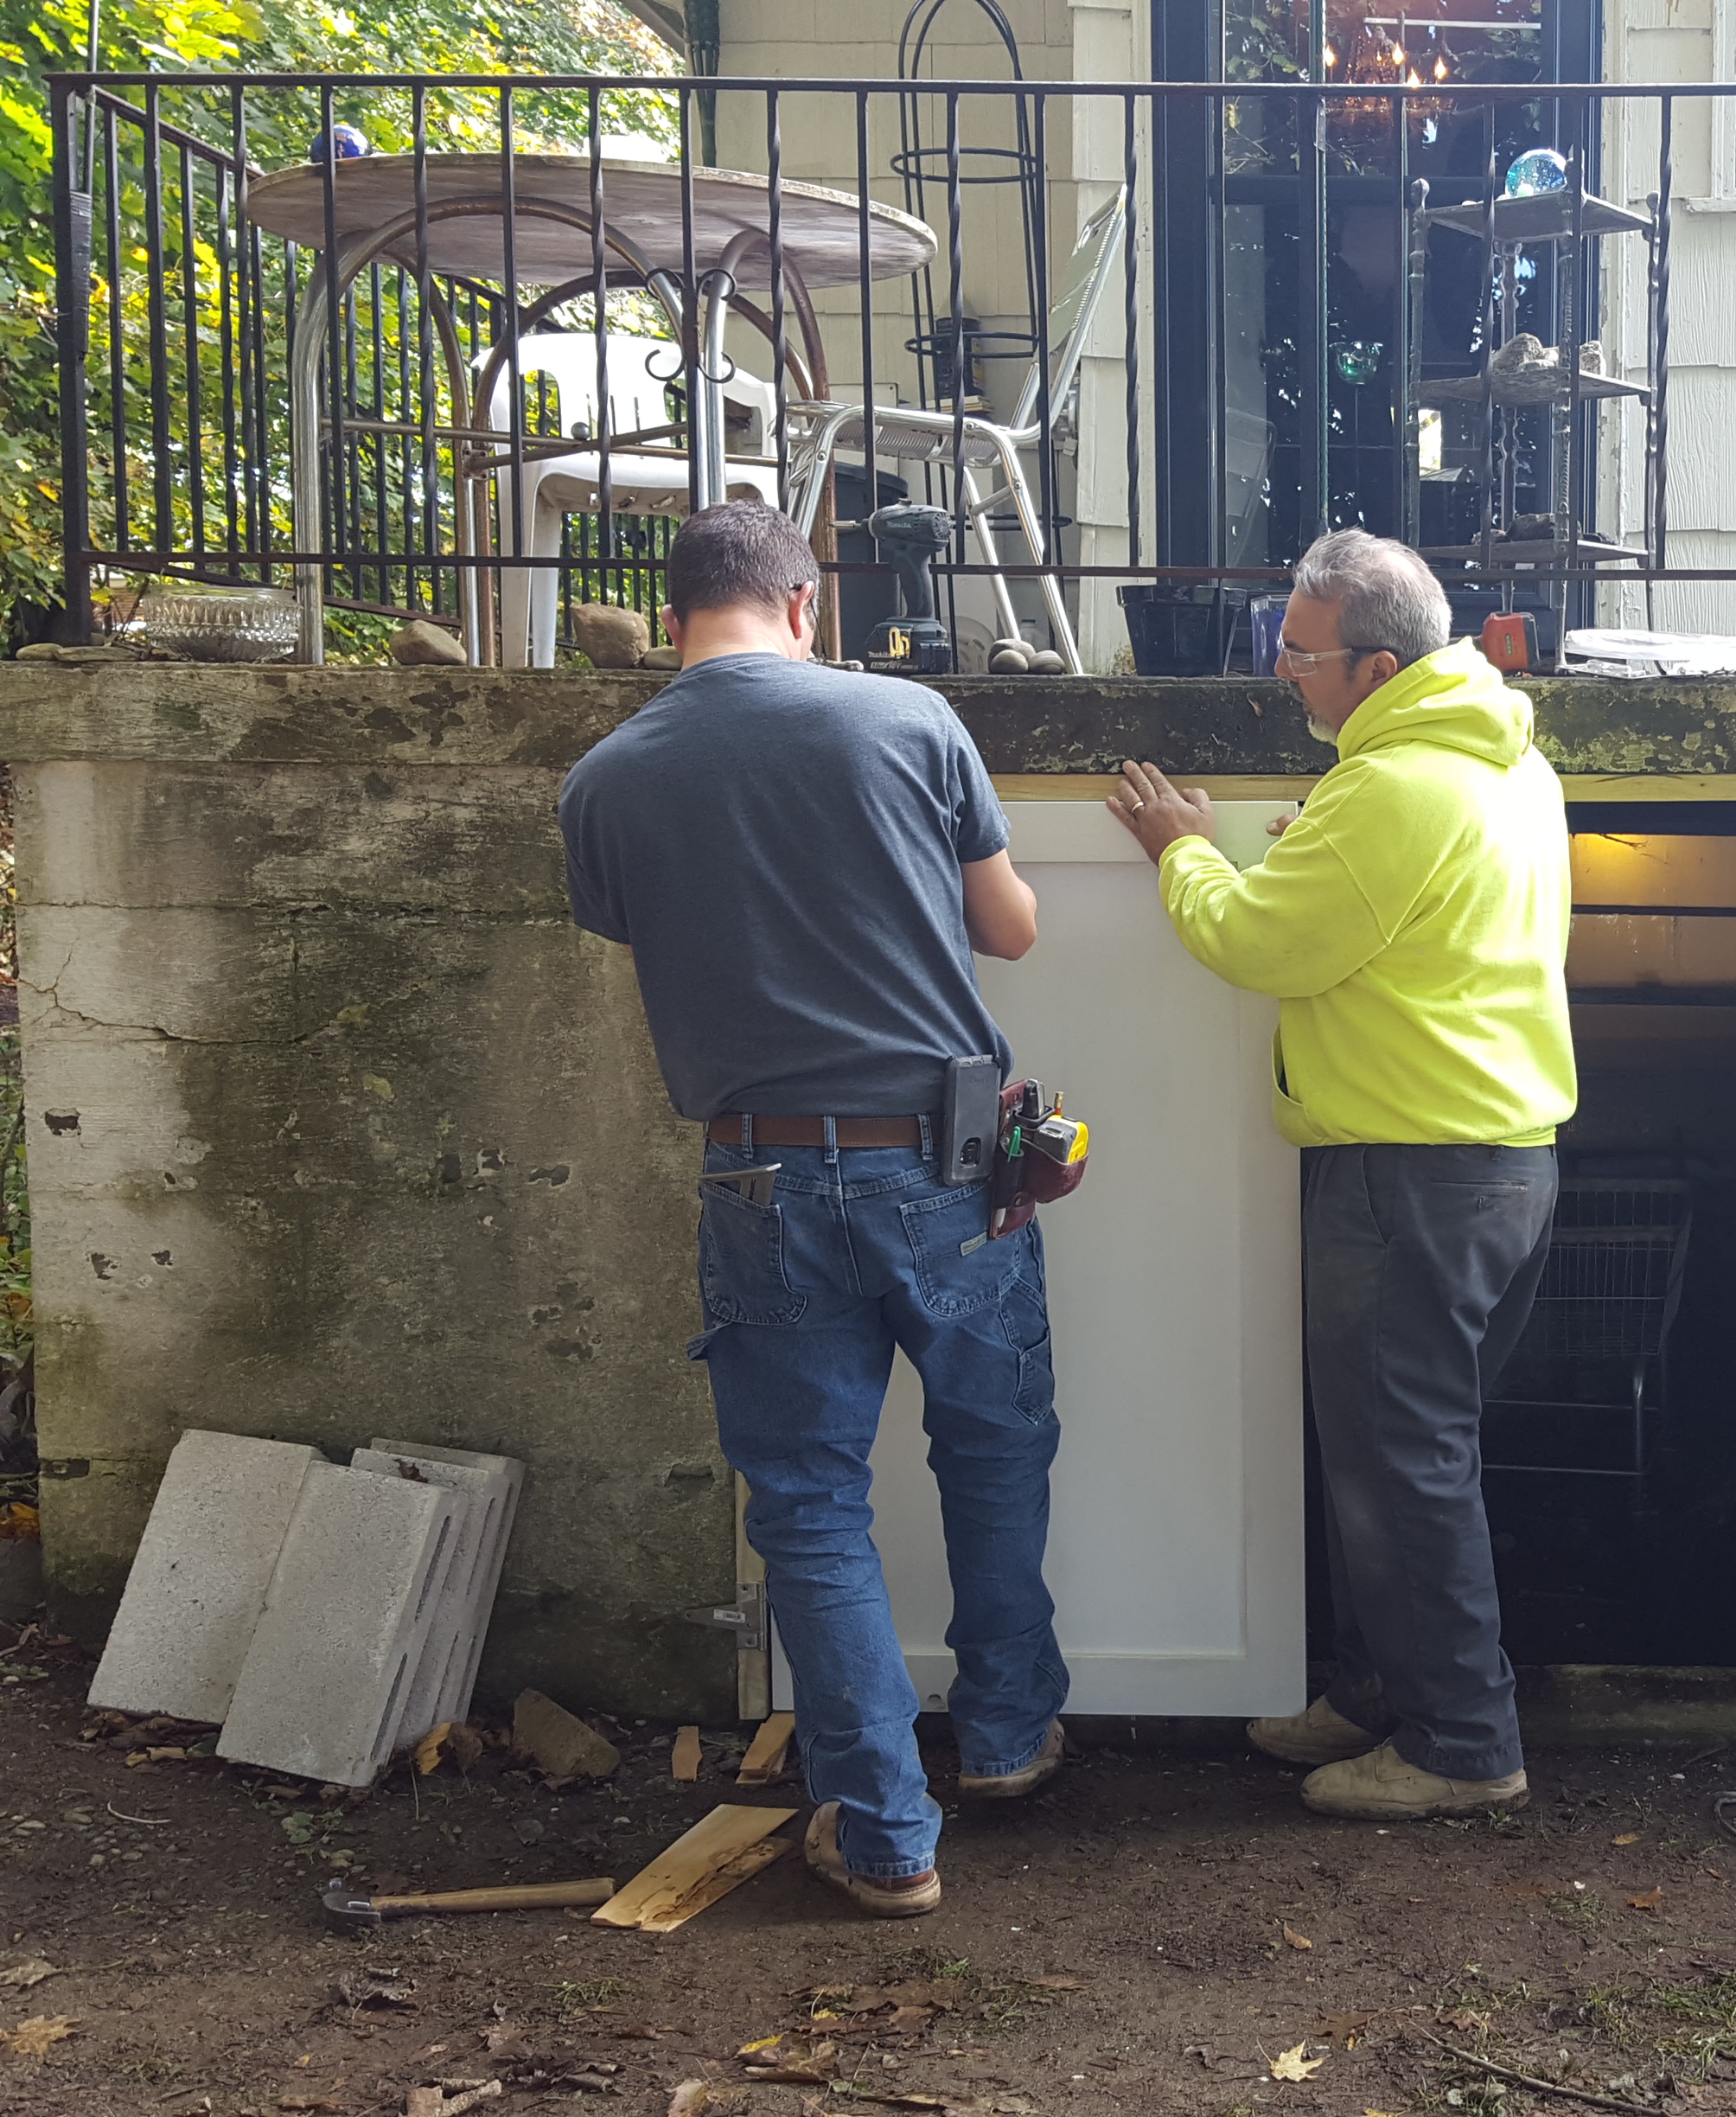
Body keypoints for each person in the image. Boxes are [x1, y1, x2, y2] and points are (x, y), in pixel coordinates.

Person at [557, 501, 1066, 1920]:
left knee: (808, 1504)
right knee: (994, 1442)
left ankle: (888, 1836)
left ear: (672, 618)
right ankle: (1013, 1739)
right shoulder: (908, 722)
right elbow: (1010, 927)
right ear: (805, 601)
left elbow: (644, 930)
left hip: (760, 1173)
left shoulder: (605, 779)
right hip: (947, 1164)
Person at [1107, 528, 1573, 1821]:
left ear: (1372, 666)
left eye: (1295, 655)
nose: (1280, 677)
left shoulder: (1396, 790)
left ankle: (1464, 1746)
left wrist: (1179, 851)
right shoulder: (1501, 763)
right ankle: (1385, 1692)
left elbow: (1260, 943)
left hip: (1408, 1172)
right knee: (1405, 1452)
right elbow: (1392, 916)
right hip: (1498, 1165)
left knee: (1401, 1462)